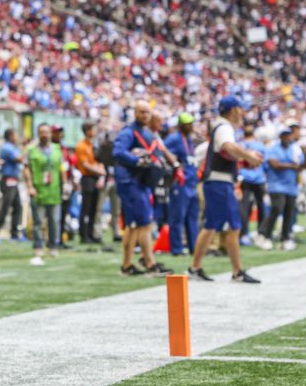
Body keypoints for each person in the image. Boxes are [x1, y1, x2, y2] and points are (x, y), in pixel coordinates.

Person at [189, 96, 265, 283]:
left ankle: (197, 268)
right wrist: (249, 156)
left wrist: (243, 162)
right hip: (219, 184)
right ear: (234, 110)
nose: (242, 113)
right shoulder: (224, 127)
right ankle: (234, 271)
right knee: (230, 226)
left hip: (218, 182)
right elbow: (227, 146)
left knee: (215, 226)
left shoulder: (221, 126)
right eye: (240, 109)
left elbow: (224, 153)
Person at [113, 100, 172, 277]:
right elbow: (118, 152)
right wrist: (137, 160)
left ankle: (127, 264)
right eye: (141, 112)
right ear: (135, 113)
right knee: (144, 223)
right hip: (131, 182)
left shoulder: (147, 133)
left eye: (147, 112)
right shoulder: (128, 132)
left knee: (135, 226)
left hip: (142, 182)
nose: (145, 115)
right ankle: (149, 263)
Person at [24, 124, 64, 266]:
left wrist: (65, 185)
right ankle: (38, 247)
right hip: (38, 190)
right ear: (38, 133)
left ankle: (53, 246)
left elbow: (61, 169)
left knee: (54, 220)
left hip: (54, 190)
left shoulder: (57, 149)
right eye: (41, 132)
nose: (44, 135)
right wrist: (29, 186)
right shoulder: (31, 150)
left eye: (46, 132)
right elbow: (26, 169)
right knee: (38, 222)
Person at [164, 113, 201, 255]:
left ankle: (194, 247)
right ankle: (177, 248)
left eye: (192, 123)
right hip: (180, 183)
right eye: (188, 124)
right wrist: (174, 164)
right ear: (181, 125)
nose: (191, 126)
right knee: (177, 217)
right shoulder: (174, 139)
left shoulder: (189, 140)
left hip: (191, 182)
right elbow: (162, 151)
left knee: (192, 217)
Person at [263, 127, 305, 250]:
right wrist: (292, 165)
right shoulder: (273, 149)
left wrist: (304, 154)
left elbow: (302, 165)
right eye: (284, 135)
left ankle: (285, 238)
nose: (287, 137)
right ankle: (266, 236)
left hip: (291, 186)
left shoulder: (295, 149)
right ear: (280, 137)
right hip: (276, 185)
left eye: (288, 135)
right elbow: (274, 164)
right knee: (277, 208)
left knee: (289, 212)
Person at [237, 122, 269, 245]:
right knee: (261, 206)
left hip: (244, 178)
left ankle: (244, 234)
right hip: (259, 179)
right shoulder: (260, 146)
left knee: (244, 207)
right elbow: (265, 164)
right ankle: (261, 232)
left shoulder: (240, 145)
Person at [74, 122, 106, 245]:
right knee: (86, 208)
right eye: (93, 129)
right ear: (87, 131)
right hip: (87, 178)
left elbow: (98, 160)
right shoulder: (81, 146)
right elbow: (85, 164)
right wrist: (100, 172)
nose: (95, 131)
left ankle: (91, 234)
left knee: (94, 208)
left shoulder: (93, 145)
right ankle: (84, 235)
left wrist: (100, 172)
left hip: (95, 178)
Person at [0, 128, 25, 242]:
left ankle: (14, 234)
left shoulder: (12, 147)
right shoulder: (7, 147)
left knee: (18, 207)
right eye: (15, 135)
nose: (16, 137)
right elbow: (19, 159)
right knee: (5, 208)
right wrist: (26, 149)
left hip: (14, 181)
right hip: (8, 181)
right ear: (10, 135)